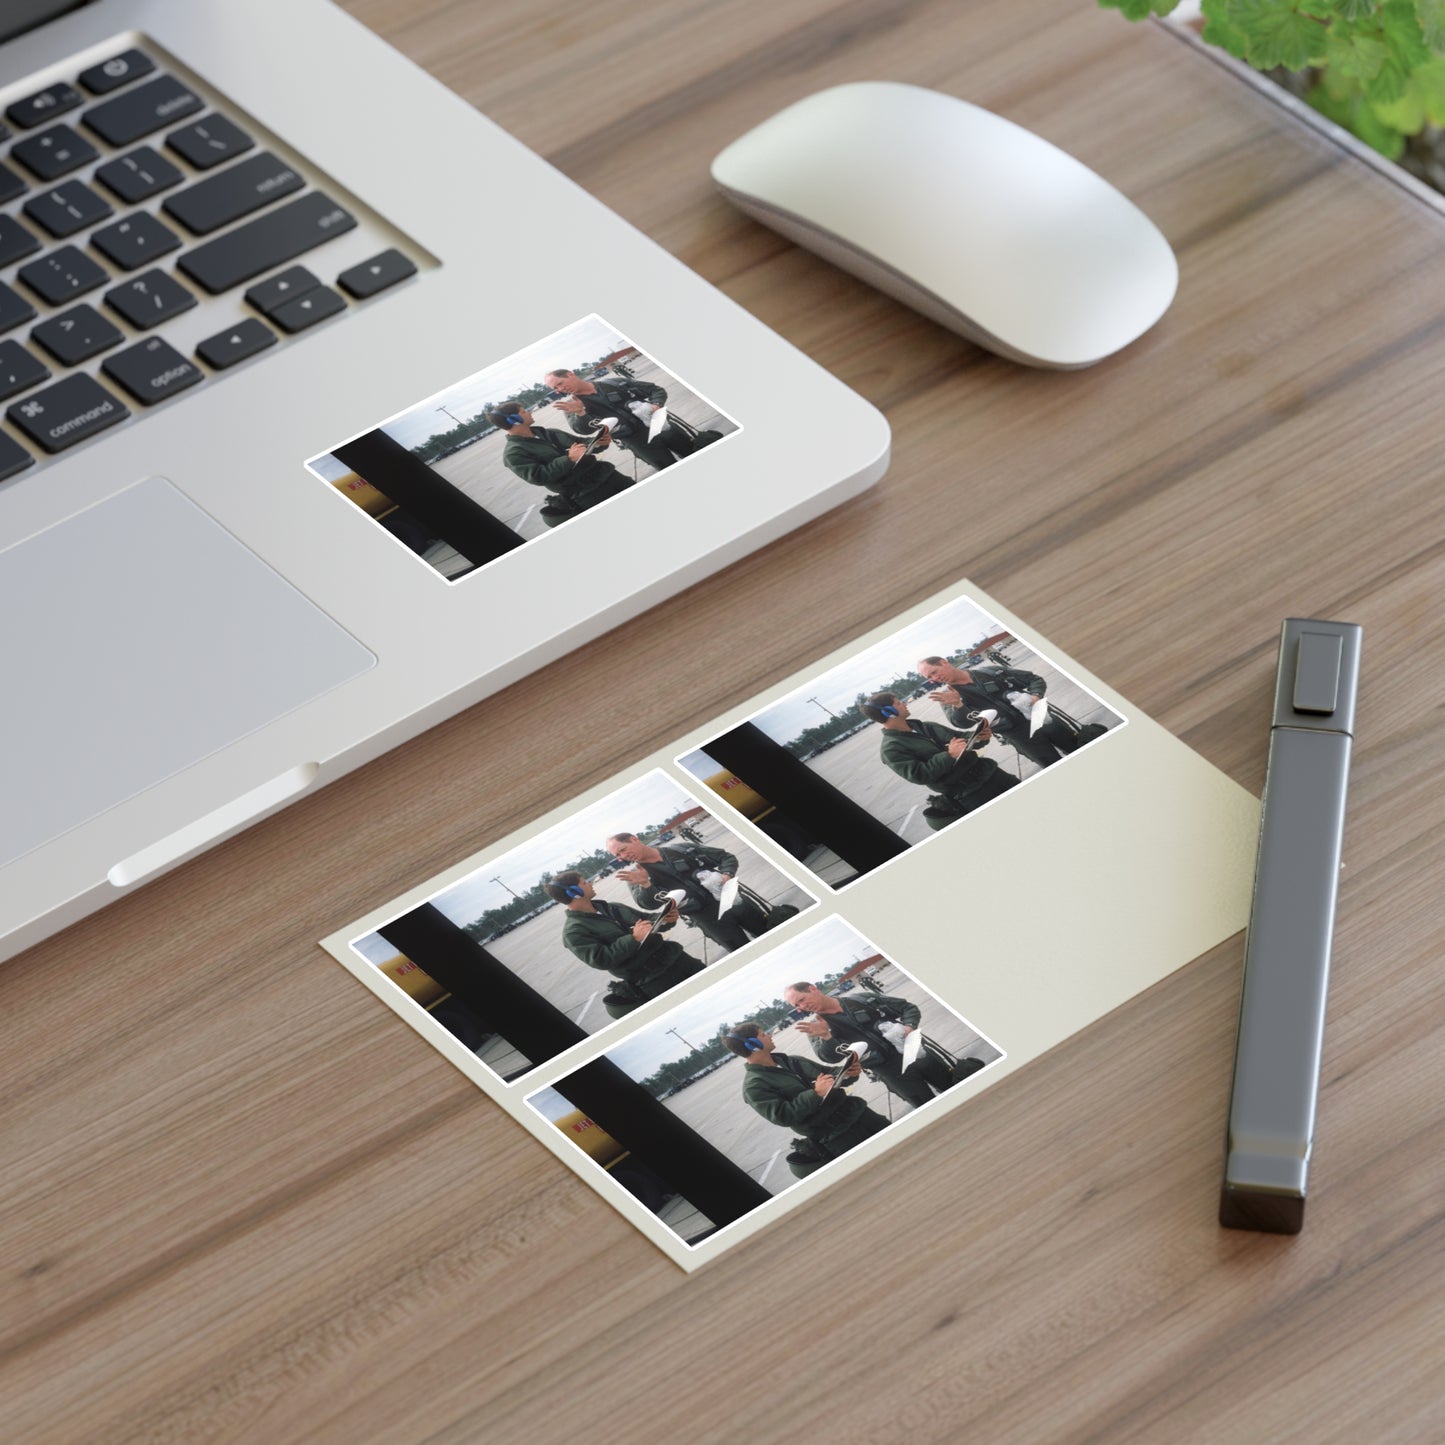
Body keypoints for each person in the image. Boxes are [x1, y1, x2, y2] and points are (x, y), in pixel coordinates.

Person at [721, 1022, 889, 1178]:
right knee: (875, 1174)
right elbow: (782, 1116)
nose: (770, 1035)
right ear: (752, 1044)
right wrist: (815, 1094)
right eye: (763, 1034)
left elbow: (830, 1073)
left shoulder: (792, 1060)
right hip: (837, 1137)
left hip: (861, 1115)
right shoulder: (754, 1086)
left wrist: (849, 1072)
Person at [784, 981, 982, 1108]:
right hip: (891, 1072)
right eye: (797, 1006)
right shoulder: (816, 1028)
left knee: (958, 1088)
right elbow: (829, 1057)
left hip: (916, 1053)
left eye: (802, 999)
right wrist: (826, 1036)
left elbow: (907, 1008)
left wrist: (909, 1026)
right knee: (929, 1107)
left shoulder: (860, 999)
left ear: (812, 988)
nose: (802, 1007)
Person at [545, 871, 703, 1018]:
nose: (591, 883)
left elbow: (648, 919)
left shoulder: (612, 907)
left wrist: (667, 918)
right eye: (585, 882)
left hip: (678, 959)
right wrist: (633, 939)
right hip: (654, 980)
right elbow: (601, 959)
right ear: (573, 892)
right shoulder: (574, 932)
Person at [605, 831, 796, 953]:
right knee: (744, 951)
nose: (623, 856)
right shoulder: (636, 876)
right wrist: (646, 884)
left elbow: (725, 857)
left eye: (623, 849)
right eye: (618, 855)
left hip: (734, 902)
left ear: (634, 839)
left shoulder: (681, 849)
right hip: (709, 919)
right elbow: (648, 904)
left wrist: (727, 874)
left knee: (775, 934)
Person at [916, 653, 1103, 770]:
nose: (935, 678)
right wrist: (958, 705)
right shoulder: (949, 696)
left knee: (1083, 751)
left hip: (1042, 719)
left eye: (934, 671)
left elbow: (1034, 679)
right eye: (929, 677)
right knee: (1056, 768)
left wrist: (1036, 696)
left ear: (943, 662)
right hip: (1019, 736)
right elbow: (961, 723)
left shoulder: (990, 672)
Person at [859, 692, 1016, 830]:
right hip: (970, 794)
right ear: (889, 712)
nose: (905, 703)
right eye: (899, 703)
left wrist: (980, 737)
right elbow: (918, 775)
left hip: (993, 774)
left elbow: (962, 739)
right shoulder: (891, 749)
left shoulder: (927, 727)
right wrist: (949, 756)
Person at [544, 367, 722, 473]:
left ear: (570, 374)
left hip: (662, 427)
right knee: (670, 470)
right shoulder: (572, 406)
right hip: (638, 443)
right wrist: (581, 413)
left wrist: (655, 405)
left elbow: (656, 390)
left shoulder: (613, 383)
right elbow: (582, 430)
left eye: (559, 383)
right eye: (555, 389)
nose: (560, 390)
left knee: (698, 455)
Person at [486, 402, 634, 528]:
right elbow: (538, 476)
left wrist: (601, 442)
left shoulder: (550, 433)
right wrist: (568, 459)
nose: (529, 412)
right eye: (524, 411)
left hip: (609, 476)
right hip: (586, 494)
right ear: (514, 419)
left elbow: (582, 444)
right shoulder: (513, 453)